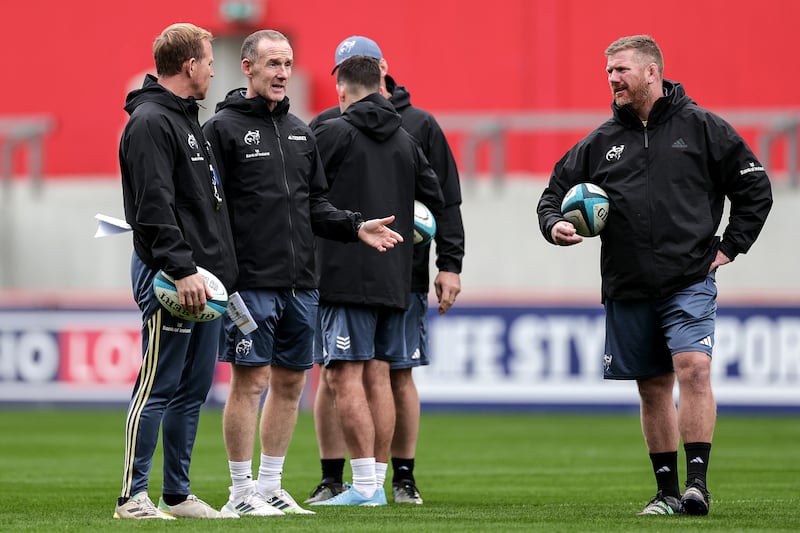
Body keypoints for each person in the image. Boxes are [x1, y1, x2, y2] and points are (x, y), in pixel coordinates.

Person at [536, 35, 772, 516]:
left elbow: (755, 188)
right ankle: (665, 492)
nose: (612, 79)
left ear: (651, 72)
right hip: (627, 283)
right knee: (653, 386)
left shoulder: (703, 128)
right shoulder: (599, 143)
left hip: (689, 279)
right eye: (608, 72)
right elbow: (551, 195)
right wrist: (554, 223)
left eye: (621, 70)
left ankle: (697, 486)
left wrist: (731, 246)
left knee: (695, 369)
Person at [201, 30, 403, 517]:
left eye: (288, 63)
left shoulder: (300, 131)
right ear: (247, 67)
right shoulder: (221, 130)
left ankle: (270, 486)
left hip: (302, 284)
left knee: (291, 385)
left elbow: (314, 205)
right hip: (250, 284)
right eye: (272, 63)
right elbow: (209, 207)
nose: (282, 73)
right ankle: (239, 493)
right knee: (249, 384)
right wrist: (221, 275)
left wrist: (356, 227)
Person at [306, 35, 465, 506]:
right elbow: (440, 200)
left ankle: (371, 485)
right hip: (397, 272)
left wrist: (449, 264)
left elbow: (301, 197)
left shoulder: (329, 131)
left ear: (339, 85)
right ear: (381, 76)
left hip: (344, 273)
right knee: (379, 374)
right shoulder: (405, 138)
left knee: (342, 375)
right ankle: (364, 479)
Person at [115, 22, 238, 520]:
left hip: (203, 279)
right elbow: (154, 206)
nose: (212, 69)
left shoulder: (187, 119)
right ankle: (131, 497)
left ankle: (177, 494)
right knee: (158, 384)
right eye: (209, 61)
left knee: (192, 390)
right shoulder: (149, 121)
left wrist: (221, 275)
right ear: (189, 65)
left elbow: (205, 205)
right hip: (173, 274)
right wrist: (182, 267)